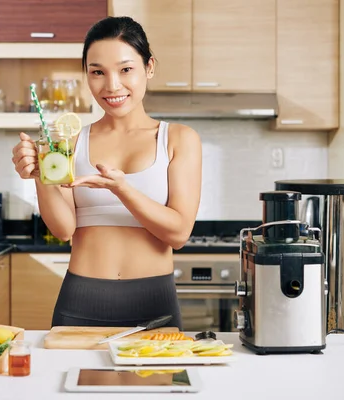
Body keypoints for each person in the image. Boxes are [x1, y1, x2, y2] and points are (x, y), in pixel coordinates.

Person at [11, 16, 202, 330]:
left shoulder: (179, 139)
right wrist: (40, 177)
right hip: (81, 299)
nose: (112, 86)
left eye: (126, 69)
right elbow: (63, 229)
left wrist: (122, 189)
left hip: (155, 303)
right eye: (97, 72)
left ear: (149, 67)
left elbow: (179, 233)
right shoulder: (70, 141)